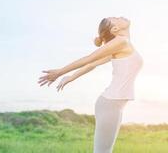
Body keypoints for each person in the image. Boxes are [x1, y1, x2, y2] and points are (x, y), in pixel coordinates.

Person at [38, 17, 144, 153]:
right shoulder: (121, 42)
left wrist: (72, 76)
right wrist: (59, 72)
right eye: (115, 18)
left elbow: (92, 64)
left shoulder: (124, 45)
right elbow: (89, 58)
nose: (120, 17)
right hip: (110, 103)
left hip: (114, 104)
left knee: (105, 151)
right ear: (115, 29)